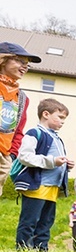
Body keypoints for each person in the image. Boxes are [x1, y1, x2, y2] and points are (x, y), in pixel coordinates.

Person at [15, 98, 73, 251]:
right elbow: (25, 156)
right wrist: (53, 161)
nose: (63, 122)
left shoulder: (56, 137)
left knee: (46, 223)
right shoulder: (34, 133)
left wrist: (66, 165)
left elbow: (55, 161)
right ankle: (23, 251)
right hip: (37, 186)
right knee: (29, 222)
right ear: (46, 114)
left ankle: (41, 250)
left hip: (52, 188)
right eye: (60, 117)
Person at [0, 42, 39, 196]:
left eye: (27, 65)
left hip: (3, 157)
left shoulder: (22, 98)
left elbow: (19, 131)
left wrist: (11, 156)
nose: (24, 67)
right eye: (20, 61)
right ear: (3, 60)